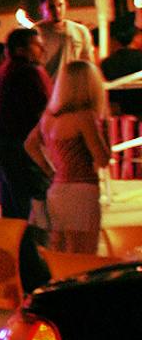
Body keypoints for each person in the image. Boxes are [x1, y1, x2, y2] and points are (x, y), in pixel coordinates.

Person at [26, 60, 112, 254]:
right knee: (83, 255)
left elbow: (30, 144)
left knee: (60, 251)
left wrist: (49, 169)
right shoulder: (84, 116)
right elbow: (102, 158)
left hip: (57, 188)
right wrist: (105, 129)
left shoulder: (49, 117)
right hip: (82, 189)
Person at [0, 27, 53, 226]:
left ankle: (14, 253)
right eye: (36, 45)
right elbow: (45, 110)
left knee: (11, 212)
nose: (41, 49)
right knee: (33, 211)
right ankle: (35, 255)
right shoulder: (31, 72)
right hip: (22, 147)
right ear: (20, 49)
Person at [34, 0, 98, 77]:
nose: (57, 10)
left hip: (73, 84)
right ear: (41, 10)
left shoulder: (80, 31)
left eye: (60, 5)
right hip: (48, 85)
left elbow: (88, 62)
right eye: (51, 7)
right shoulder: (34, 34)